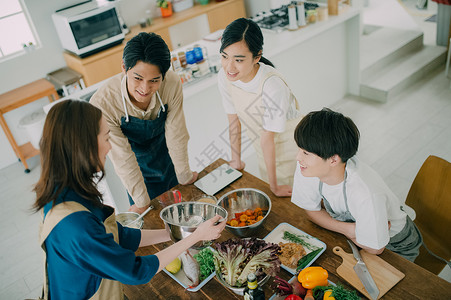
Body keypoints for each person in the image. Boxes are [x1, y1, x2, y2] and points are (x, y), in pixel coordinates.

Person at [33, 100, 226, 299]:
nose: (109, 148)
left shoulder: (66, 192)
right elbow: (136, 271)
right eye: (106, 138)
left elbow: (119, 236)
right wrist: (195, 237)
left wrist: (178, 233)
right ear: (84, 144)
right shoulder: (75, 225)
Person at [291, 108, 422, 261]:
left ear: (333, 159)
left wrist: (347, 229)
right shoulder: (307, 168)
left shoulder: (365, 193)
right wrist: (348, 229)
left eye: (305, 153)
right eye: (299, 149)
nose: (297, 157)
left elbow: (375, 248)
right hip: (358, 238)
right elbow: (311, 211)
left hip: (396, 246)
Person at [90, 32, 197, 214]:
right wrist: (141, 201)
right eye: (137, 78)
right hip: (136, 171)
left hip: (167, 158)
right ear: (124, 68)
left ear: (163, 75)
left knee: (185, 214)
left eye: (154, 81)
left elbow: (176, 133)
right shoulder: (104, 103)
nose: (145, 89)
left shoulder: (171, 83)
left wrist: (184, 175)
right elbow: (122, 157)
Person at [218, 18, 302, 197]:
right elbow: (234, 121)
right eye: (224, 56)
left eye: (238, 60)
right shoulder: (225, 76)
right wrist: (236, 160)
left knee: (301, 204)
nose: (229, 66)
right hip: (265, 150)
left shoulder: (272, 85)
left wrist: (275, 186)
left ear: (257, 57)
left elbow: (267, 137)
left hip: (293, 150)